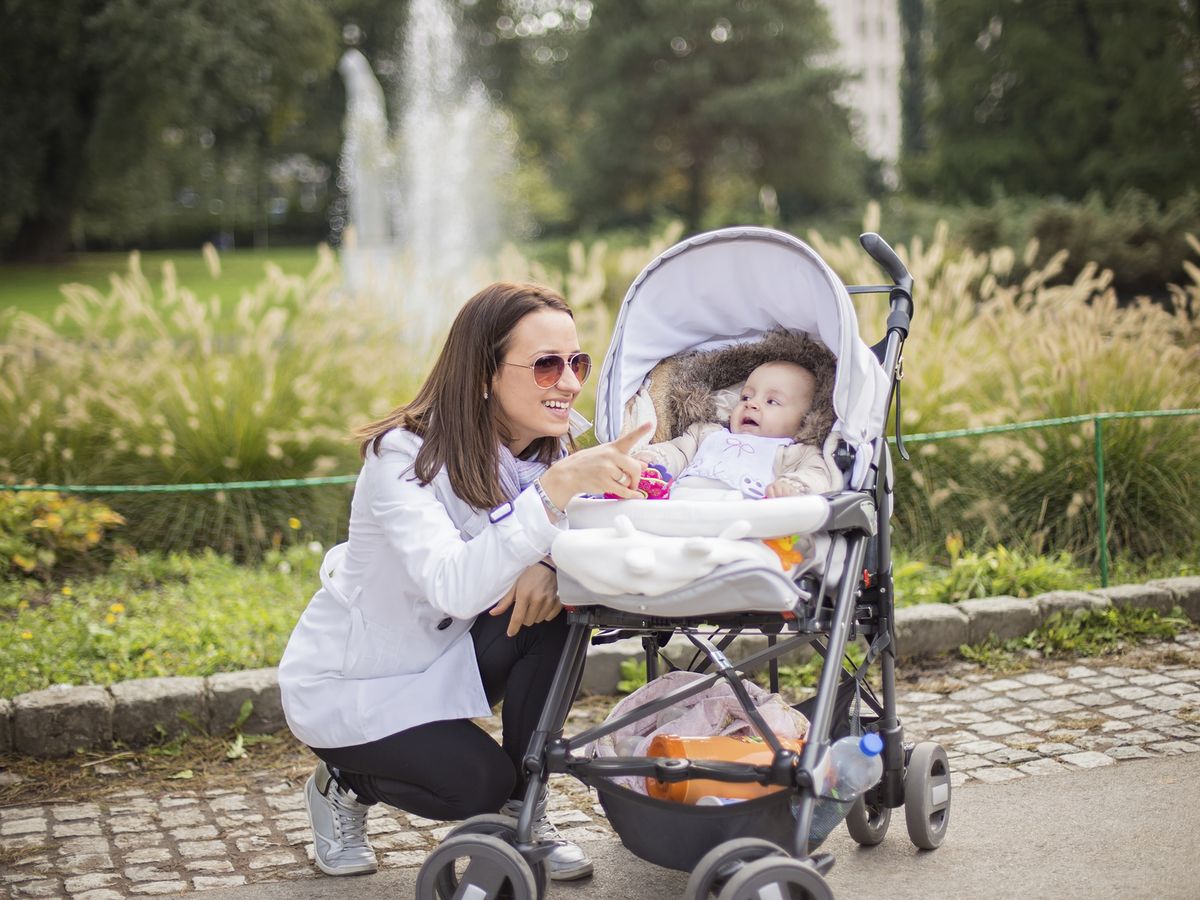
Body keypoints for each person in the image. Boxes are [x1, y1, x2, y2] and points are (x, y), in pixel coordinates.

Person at [278, 282, 651, 880]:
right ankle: (343, 782)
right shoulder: (403, 455)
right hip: (357, 683)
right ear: (483, 374)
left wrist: (552, 565)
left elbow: (588, 538)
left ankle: (525, 810)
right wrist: (555, 498)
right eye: (546, 365)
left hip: (450, 655)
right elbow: (453, 587)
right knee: (475, 785)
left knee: (559, 610)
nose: (571, 382)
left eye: (576, 361)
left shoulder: (553, 452)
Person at [634, 360, 837, 499]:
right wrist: (655, 459)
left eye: (772, 401)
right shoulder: (706, 433)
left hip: (745, 517)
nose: (752, 404)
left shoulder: (795, 452)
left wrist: (793, 486)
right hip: (681, 506)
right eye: (746, 397)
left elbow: (819, 475)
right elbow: (677, 452)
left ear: (806, 419)